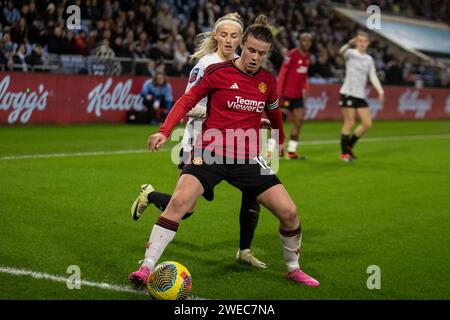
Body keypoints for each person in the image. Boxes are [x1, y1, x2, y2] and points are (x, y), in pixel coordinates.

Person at [128, 15, 320, 287]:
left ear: (268, 54)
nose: (255, 57)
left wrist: (278, 140)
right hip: (210, 152)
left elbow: (275, 113)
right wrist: (164, 130)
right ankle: (147, 267)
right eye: (251, 50)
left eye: (262, 54)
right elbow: (186, 100)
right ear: (242, 44)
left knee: (289, 212)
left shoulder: (267, 80)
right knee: (180, 204)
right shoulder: (217, 72)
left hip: (246, 158)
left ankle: (292, 268)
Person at [131, 12, 266, 269]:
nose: (228, 41)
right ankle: (150, 195)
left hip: (233, 145)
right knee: (186, 209)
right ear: (216, 36)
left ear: (241, 39)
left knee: (254, 192)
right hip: (198, 143)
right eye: (224, 35)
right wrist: (225, 111)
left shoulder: (242, 64)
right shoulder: (206, 64)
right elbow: (187, 103)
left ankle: (245, 250)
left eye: (234, 36)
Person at [339, 31, 384, 161]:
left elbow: (373, 75)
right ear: (356, 42)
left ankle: (350, 147)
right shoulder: (350, 53)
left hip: (360, 95)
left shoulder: (369, 59)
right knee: (350, 122)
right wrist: (349, 44)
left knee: (367, 123)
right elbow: (341, 51)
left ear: (368, 43)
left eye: (364, 41)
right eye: (359, 41)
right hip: (348, 92)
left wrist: (380, 91)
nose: (362, 43)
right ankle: (344, 154)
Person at [268, 32, 312, 160]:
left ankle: (291, 152)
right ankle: (270, 150)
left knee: (298, 122)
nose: (307, 43)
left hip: (298, 96)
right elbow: (282, 74)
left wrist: (306, 90)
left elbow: (303, 77)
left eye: (309, 41)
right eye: (304, 40)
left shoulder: (308, 57)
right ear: (299, 41)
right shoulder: (292, 55)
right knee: (278, 122)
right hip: (286, 95)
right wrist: (279, 93)